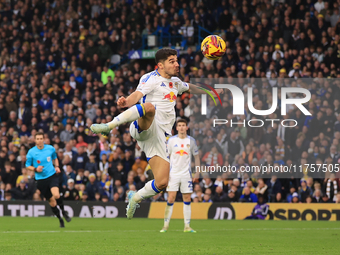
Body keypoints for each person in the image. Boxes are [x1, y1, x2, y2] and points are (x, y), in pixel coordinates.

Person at [90, 48, 222, 219]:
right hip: (145, 125)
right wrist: (125, 101)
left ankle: (135, 197)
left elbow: (190, 88)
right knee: (150, 108)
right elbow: (136, 95)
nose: (176, 64)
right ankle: (109, 125)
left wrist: (210, 92)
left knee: (162, 182)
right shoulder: (150, 78)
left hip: (161, 136)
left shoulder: (176, 82)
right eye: (172, 61)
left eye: (176, 60)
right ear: (160, 65)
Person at [160, 119, 200, 233]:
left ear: (187, 127)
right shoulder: (171, 141)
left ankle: (187, 226)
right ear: (176, 128)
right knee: (171, 198)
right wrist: (165, 173)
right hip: (173, 173)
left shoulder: (191, 141)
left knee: (187, 198)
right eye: (180, 125)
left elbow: (196, 157)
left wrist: (197, 172)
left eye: (183, 125)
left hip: (186, 174)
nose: (182, 127)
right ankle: (165, 225)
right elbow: (166, 157)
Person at [25, 132, 71, 227]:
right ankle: (60, 219)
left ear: (43, 139)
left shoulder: (50, 148)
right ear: (35, 140)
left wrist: (57, 166)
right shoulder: (31, 152)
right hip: (41, 180)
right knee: (52, 203)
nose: (39, 140)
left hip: (52, 176)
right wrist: (35, 169)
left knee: (56, 195)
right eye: (37, 139)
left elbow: (55, 158)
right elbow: (27, 165)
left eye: (41, 138)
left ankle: (64, 212)